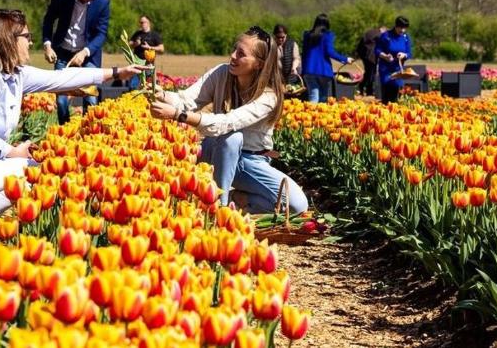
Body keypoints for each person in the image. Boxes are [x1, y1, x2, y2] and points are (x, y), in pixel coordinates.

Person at [0, 9, 145, 252]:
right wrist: (15, 152)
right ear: (9, 39)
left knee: (36, 170)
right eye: (27, 36)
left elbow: (62, 78)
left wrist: (117, 73)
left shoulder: (14, 74)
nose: (32, 42)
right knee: (36, 171)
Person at [149, 26, 308, 214]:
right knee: (230, 139)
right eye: (234, 49)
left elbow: (227, 123)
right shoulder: (222, 73)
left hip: (250, 161)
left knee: (297, 205)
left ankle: (232, 199)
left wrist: (178, 115)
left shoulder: (269, 96)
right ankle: (219, 208)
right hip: (216, 151)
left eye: (241, 54)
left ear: (258, 63)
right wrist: (160, 93)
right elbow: (187, 100)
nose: (232, 56)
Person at [41, 0, 110, 125]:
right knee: (62, 101)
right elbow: (48, 20)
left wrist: (85, 52)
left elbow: (101, 34)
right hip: (63, 53)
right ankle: (65, 134)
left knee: (91, 98)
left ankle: (89, 134)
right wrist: (47, 45)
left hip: (88, 56)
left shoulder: (103, 2)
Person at [300, 13, 353, 103]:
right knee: (323, 97)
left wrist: (303, 70)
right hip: (323, 70)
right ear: (327, 24)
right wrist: (345, 59)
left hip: (309, 70)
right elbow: (330, 52)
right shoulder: (327, 35)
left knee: (313, 96)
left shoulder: (307, 35)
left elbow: (304, 53)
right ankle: (321, 115)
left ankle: (311, 114)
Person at [375, 16, 412, 104]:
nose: (403, 30)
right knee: (387, 94)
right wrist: (385, 56)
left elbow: (409, 53)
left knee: (395, 93)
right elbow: (377, 50)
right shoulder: (386, 36)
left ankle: (394, 114)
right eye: (401, 28)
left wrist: (404, 55)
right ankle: (384, 112)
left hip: (398, 70)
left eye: (405, 28)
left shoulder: (406, 37)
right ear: (396, 26)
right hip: (385, 69)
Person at [127, 15, 165, 89]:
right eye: (140, 22)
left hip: (149, 65)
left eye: (143, 22)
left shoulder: (154, 35)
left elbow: (161, 49)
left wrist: (150, 47)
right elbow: (129, 44)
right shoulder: (137, 34)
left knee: (150, 86)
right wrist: (136, 44)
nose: (142, 24)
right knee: (134, 86)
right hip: (137, 64)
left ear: (149, 23)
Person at [355, 25, 387, 96]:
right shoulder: (379, 35)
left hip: (364, 55)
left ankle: (362, 87)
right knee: (372, 74)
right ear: (383, 29)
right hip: (372, 56)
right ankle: (369, 91)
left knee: (368, 73)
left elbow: (361, 43)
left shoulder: (369, 32)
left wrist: (359, 54)